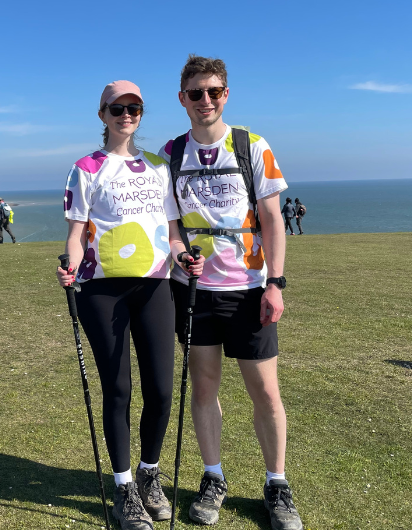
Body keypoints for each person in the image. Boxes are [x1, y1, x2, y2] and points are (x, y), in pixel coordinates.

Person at [158, 56, 303, 530]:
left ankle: (277, 484)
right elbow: (171, 223)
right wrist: (180, 254)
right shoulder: (170, 153)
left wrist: (276, 284)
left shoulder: (251, 146)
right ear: (182, 99)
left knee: (265, 391)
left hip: (247, 290)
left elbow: (273, 218)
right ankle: (213, 477)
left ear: (226, 95)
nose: (206, 101)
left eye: (214, 91)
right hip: (194, 290)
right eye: (196, 93)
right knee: (204, 387)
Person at [57, 80, 203, 530]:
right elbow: (76, 234)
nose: (126, 114)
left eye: (134, 107)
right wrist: (70, 268)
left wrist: (182, 256)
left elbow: (173, 229)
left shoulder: (159, 166)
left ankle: (148, 476)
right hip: (102, 291)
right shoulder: (85, 168)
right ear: (102, 114)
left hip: (155, 286)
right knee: (118, 391)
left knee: (161, 390)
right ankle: (124, 491)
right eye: (117, 108)